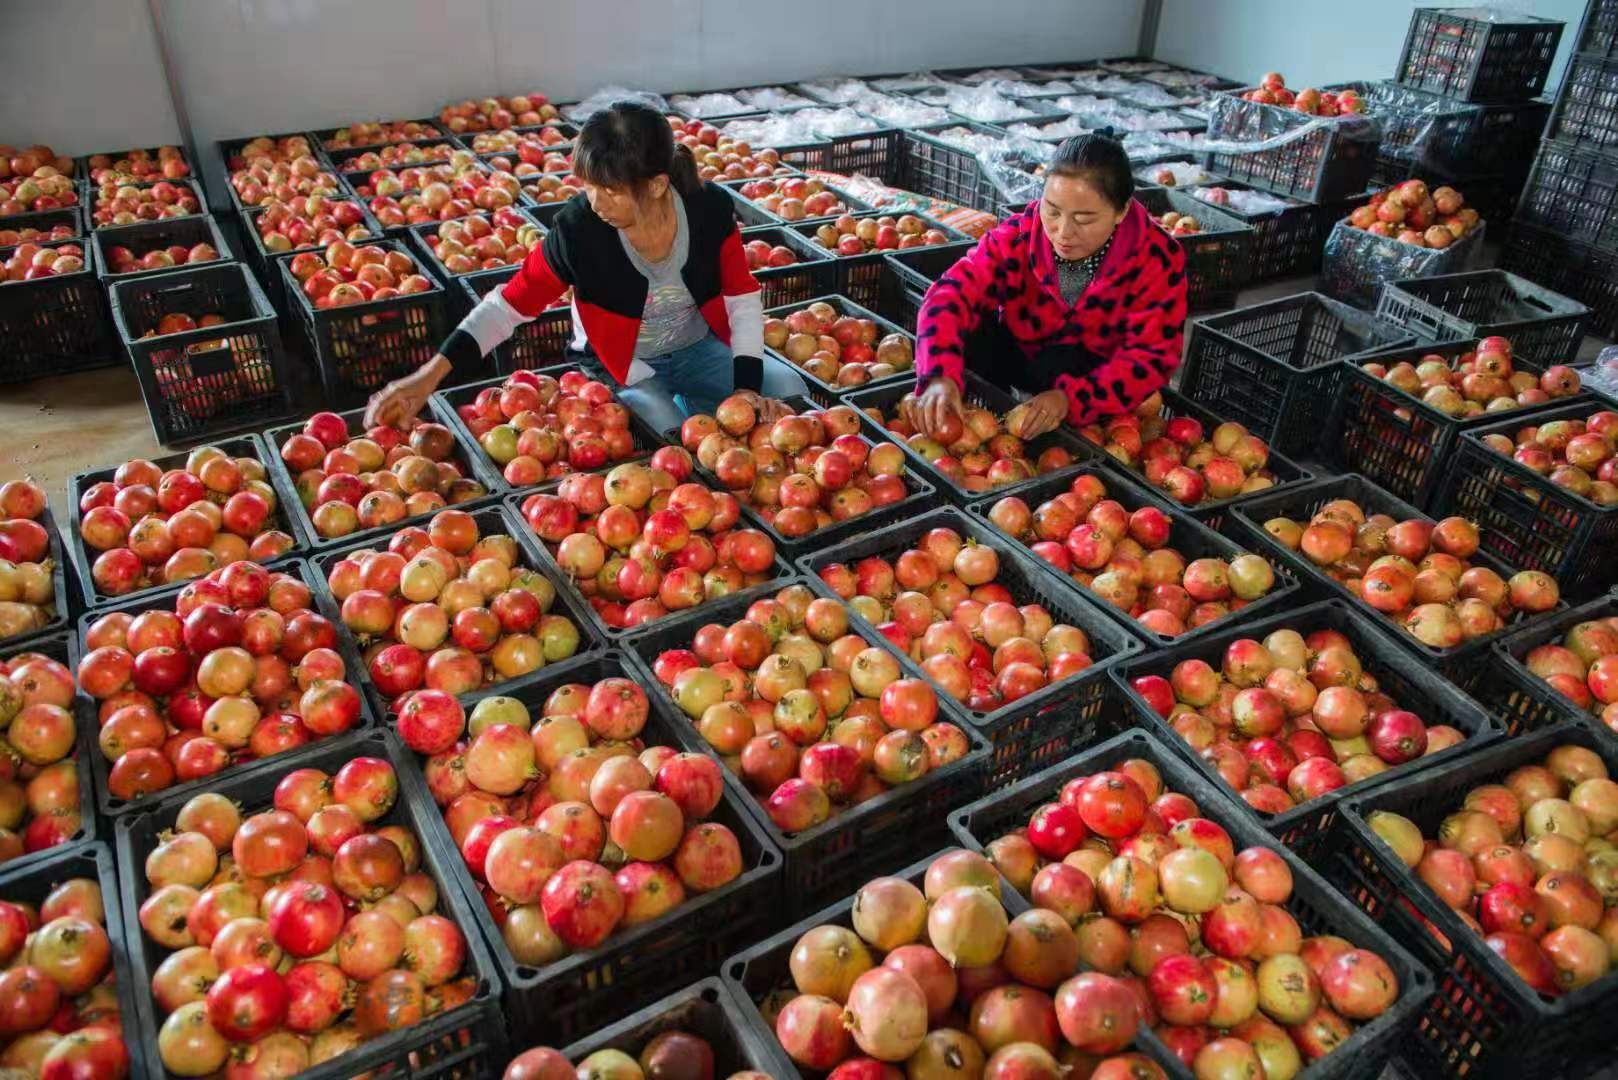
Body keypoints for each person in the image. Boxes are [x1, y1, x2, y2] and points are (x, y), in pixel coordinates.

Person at [365, 99, 807, 434]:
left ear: (656, 185)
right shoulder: (579, 230)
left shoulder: (708, 209)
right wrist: (428, 377)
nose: (596, 203)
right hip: (627, 366)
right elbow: (509, 306)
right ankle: (689, 407)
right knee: (669, 436)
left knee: (788, 393)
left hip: (698, 349)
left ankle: (702, 401)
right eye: (589, 187)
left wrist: (747, 385)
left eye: (610, 191)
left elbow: (742, 299)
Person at [907, 132, 1188, 441]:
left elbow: (1149, 356)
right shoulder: (1018, 237)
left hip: (1095, 379)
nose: (1063, 232)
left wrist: (1072, 399)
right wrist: (938, 373)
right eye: (1052, 211)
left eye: (1084, 219)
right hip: (1021, 356)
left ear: (1121, 211)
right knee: (971, 330)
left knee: (1065, 366)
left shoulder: (1155, 259)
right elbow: (950, 294)